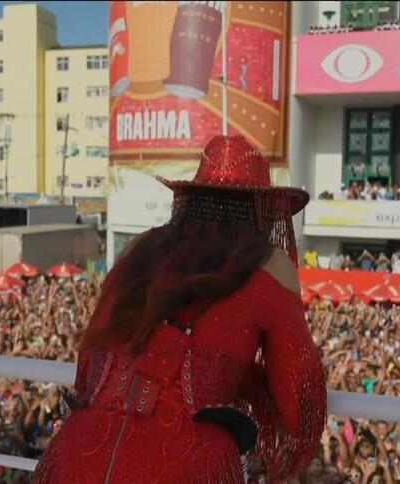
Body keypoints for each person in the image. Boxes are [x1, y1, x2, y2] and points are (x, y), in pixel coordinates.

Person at [33, 136, 326, 483]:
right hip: (182, 464)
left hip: (77, 452)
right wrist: (245, 380)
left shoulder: (140, 248)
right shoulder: (271, 264)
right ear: (260, 206)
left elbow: (89, 368)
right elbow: (300, 403)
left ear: (188, 198)